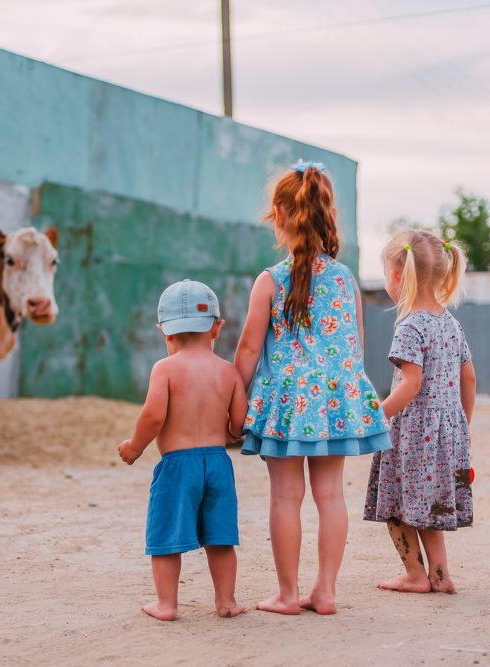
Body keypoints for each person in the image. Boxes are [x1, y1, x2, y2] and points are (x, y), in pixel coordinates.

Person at [234, 160, 391, 615]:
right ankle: (325, 592)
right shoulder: (345, 280)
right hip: (334, 401)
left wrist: (233, 402)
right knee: (331, 495)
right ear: (328, 215)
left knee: (286, 497)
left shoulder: (270, 280)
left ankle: (287, 594)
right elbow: (355, 346)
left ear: (279, 215)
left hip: (286, 405)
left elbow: (248, 349)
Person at [118, 279, 248, 621]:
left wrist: (134, 446)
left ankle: (166, 604)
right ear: (217, 328)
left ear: (164, 331)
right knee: (220, 537)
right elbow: (239, 424)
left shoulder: (165, 369)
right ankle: (226, 601)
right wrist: (227, 430)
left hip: (177, 466)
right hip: (218, 463)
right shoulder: (229, 372)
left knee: (165, 535)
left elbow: (153, 415)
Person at [363, 229, 477, 594]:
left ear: (398, 276)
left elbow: (411, 384)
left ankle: (414, 574)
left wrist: (376, 416)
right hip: (447, 431)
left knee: (395, 505)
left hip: (412, 434)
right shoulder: (451, 324)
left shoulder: (409, 327)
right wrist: (463, 426)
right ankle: (440, 576)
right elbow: (469, 378)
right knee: (428, 504)